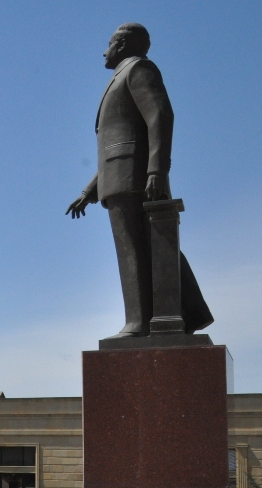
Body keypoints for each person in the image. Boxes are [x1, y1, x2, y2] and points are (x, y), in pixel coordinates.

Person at [66, 22, 212, 339]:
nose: (104, 50)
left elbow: (159, 115)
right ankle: (187, 313)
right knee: (154, 247)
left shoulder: (138, 69)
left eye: (109, 43)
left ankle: (139, 322)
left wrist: (157, 171)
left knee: (136, 251)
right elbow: (114, 144)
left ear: (122, 44)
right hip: (120, 177)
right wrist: (88, 191)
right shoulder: (122, 75)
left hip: (135, 178)